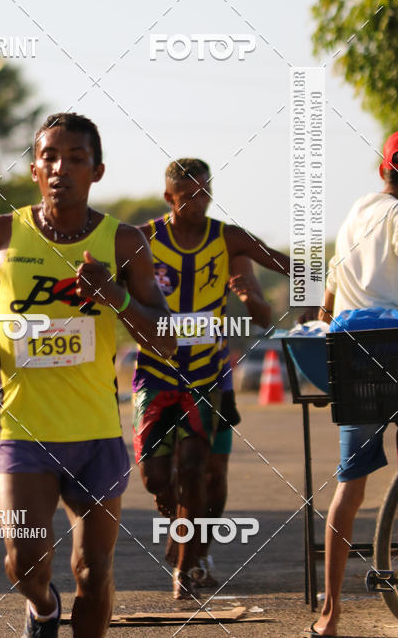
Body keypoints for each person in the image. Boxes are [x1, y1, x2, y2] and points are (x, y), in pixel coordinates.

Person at [0, 112, 175, 638]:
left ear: (97, 171)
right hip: (24, 432)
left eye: (75, 159)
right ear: (33, 170)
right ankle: (44, 610)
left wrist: (113, 295)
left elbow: (164, 338)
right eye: (49, 157)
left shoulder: (125, 244)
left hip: (96, 434)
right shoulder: (0, 233)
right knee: (25, 565)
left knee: (93, 574)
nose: (60, 169)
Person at [133, 157, 288, 599]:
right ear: (169, 197)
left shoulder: (228, 238)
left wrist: (328, 285)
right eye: (188, 197)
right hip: (156, 374)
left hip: (207, 375)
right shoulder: (141, 240)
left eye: (205, 193)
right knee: (156, 479)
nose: (198, 204)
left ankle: (189, 564)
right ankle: (180, 527)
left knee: (200, 469)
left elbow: (279, 263)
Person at [307, 132, 398, 638]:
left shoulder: (357, 212)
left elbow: (329, 297)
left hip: (354, 361)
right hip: (395, 352)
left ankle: (331, 611)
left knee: (350, 486)